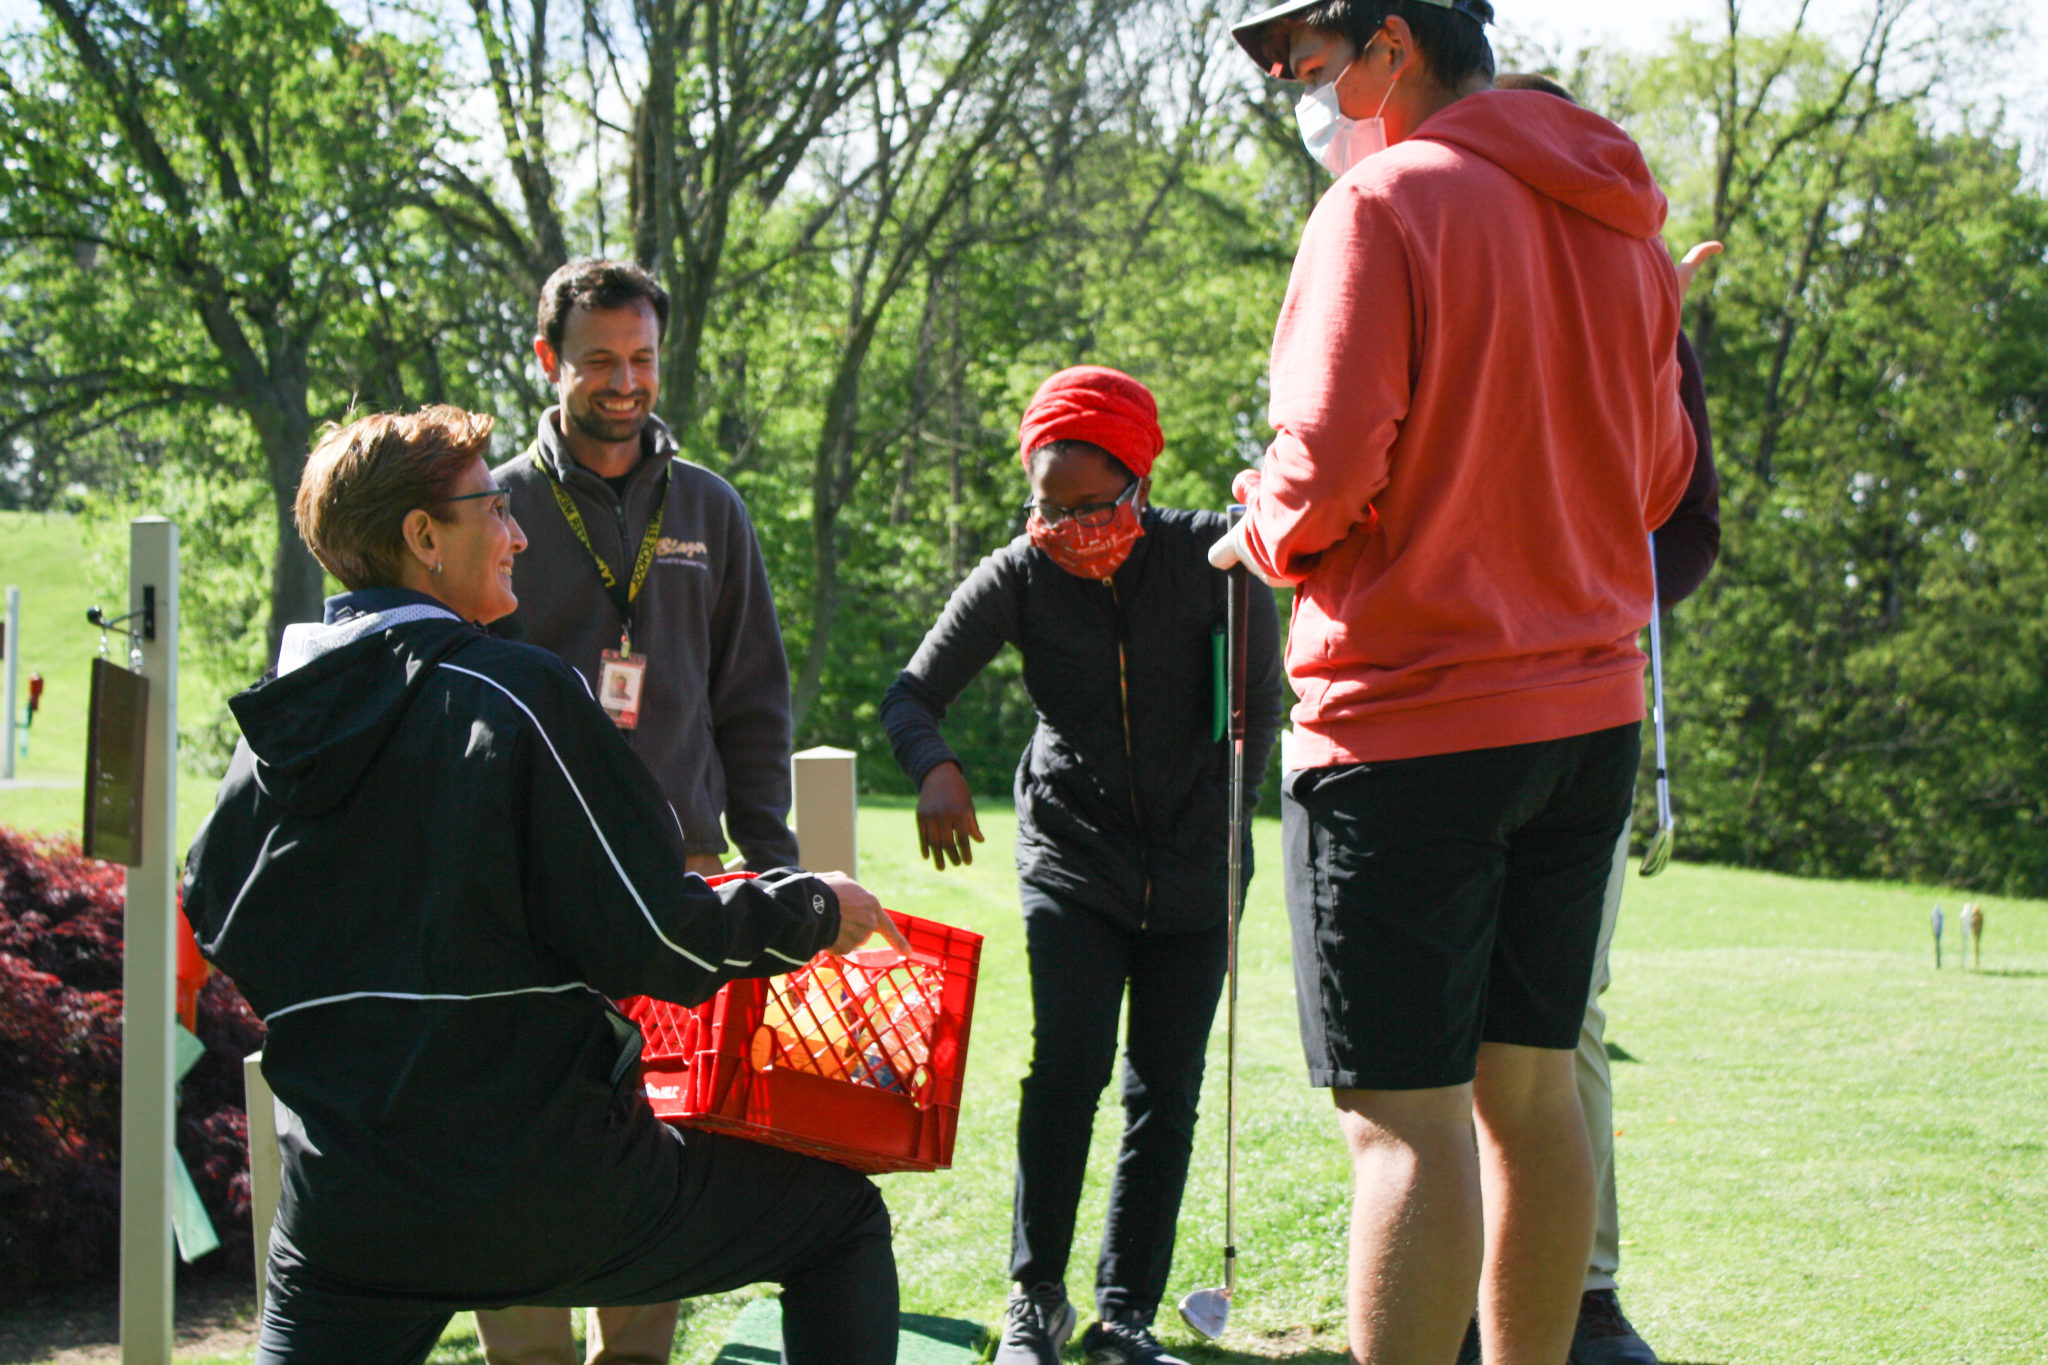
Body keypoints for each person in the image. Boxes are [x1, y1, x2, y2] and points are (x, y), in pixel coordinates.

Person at [181, 405, 910, 1365]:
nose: (519, 530)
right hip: (547, 1182)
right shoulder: (518, 693)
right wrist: (813, 908)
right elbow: (661, 939)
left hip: (348, 1209)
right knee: (841, 1221)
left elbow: (212, 902)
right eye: (495, 506)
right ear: (422, 537)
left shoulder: (272, 733)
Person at [1216, 4, 1697, 1364]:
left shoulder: (1382, 207)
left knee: (1404, 1122)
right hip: (1586, 719)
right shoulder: (1620, 214)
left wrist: (1254, 526)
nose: (1303, 96)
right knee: (1533, 1097)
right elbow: (1660, 478)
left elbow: (1315, 483)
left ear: (1389, 46)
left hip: (1410, 719)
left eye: (1310, 66)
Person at [880, 367, 1282, 1365]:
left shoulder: (1218, 560)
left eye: (1089, 506)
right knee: (1065, 1071)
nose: (1067, 526)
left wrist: (1224, 827)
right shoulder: (1018, 574)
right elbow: (908, 695)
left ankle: (1125, 1315)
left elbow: (1260, 710)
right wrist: (933, 768)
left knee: (1164, 1088)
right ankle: (1034, 1302)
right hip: (1073, 858)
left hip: (1196, 870)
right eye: (1047, 505)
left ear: (1138, 484)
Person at [481, 259, 799, 1364]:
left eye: (643, 360)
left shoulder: (707, 505)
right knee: (514, 1157)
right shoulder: (495, 506)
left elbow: (751, 700)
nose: (625, 384)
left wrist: (774, 868)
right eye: (600, 361)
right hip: (521, 898)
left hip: (675, 890)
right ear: (547, 362)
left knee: (654, 1142)